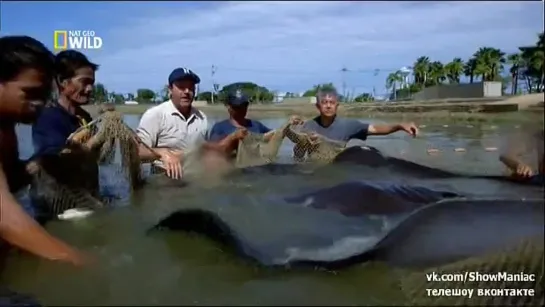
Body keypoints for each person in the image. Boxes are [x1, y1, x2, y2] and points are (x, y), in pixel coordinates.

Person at [0, 35, 86, 266]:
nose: (40, 103)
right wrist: (79, 260)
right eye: (30, 93)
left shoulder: (7, 125)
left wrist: (38, 165)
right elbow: (4, 217)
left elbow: (8, 179)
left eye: (44, 95)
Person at [30, 50, 100, 220]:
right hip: (56, 202)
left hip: (84, 195)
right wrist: (88, 146)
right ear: (63, 81)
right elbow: (56, 155)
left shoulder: (85, 118)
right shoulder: (47, 117)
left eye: (92, 83)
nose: (89, 89)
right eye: (84, 82)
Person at [293, 89, 418, 160]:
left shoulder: (348, 125)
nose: (328, 105)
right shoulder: (308, 126)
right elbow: (298, 156)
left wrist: (399, 126)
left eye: (332, 102)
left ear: (337, 105)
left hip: (337, 165)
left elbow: (375, 129)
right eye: (324, 102)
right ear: (318, 106)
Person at [137, 67, 211, 179]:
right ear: (170, 89)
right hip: (164, 182)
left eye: (191, 87)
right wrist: (162, 153)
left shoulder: (202, 118)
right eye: (181, 87)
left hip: (195, 180)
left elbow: (206, 151)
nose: (187, 92)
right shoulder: (155, 115)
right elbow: (136, 152)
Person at [207, 91, 276, 157]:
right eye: (238, 106)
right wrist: (233, 137)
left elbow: (273, 135)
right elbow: (212, 151)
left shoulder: (256, 125)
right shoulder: (219, 128)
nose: (242, 109)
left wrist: (282, 132)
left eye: (245, 105)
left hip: (255, 166)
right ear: (229, 107)